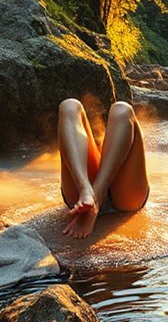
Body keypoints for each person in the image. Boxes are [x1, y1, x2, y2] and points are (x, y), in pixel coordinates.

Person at [57, 98, 149, 238]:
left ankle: (95, 198)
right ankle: (86, 190)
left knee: (122, 109)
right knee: (69, 105)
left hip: (126, 198)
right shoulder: (92, 154)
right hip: (83, 194)